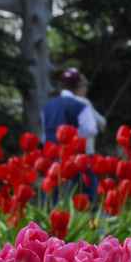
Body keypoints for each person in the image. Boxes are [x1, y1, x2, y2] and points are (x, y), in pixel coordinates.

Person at [42, 68, 106, 199]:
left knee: (52, 192)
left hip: (52, 155)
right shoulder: (80, 105)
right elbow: (90, 129)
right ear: (78, 86)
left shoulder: (47, 106)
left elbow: (44, 132)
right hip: (75, 156)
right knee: (88, 189)